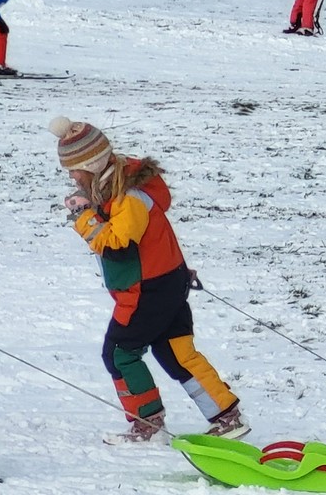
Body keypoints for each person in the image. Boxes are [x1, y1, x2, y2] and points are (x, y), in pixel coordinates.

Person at [52, 116, 246, 444]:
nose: (72, 176)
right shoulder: (116, 185)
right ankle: (227, 416)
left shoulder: (127, 196)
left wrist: (83, 218)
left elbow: (118, 247)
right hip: (166, 281)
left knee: (119, 354)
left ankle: (147, 423)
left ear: (92, 165)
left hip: (147, 290)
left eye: (74, 169)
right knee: (176, 352)